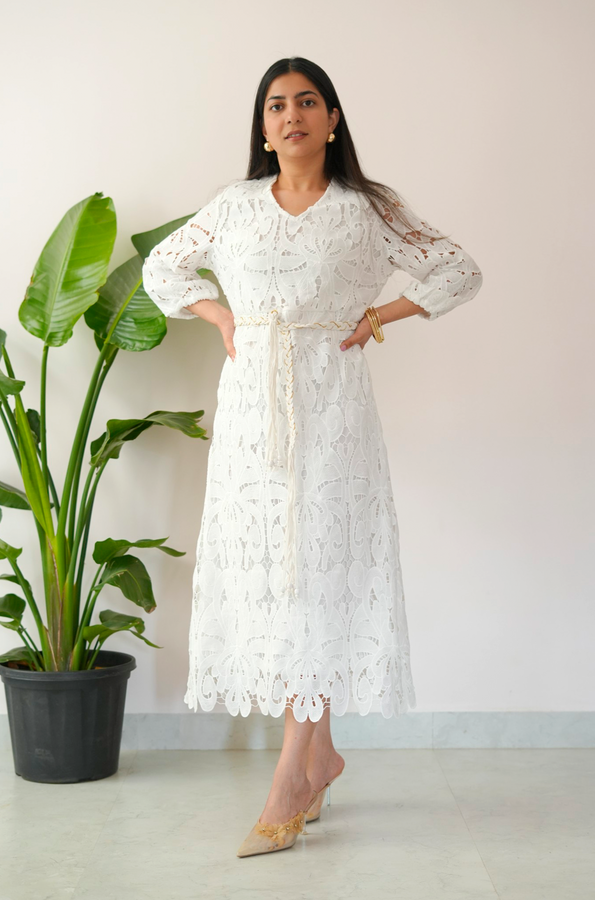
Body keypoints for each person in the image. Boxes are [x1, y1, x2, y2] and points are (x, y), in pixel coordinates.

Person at [142, 57, 483, 858]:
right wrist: (221, 318)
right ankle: (320, 753)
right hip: (253, 410)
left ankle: (296, 774)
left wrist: (381, 311)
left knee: (322, 573)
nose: (290, 116)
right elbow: (166, 267)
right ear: (262, 127)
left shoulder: (369, 208)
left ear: (332, 118)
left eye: (305, 102)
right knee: (277, 576)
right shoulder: (231, 207)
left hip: (333, 409)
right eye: (274, 105)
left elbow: (459, 269)